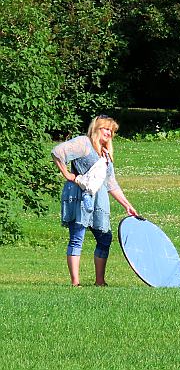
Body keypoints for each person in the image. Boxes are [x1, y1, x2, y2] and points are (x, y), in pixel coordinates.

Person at [52, 115, 138, 287]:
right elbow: (57, 152)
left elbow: (111, 183)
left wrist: (128, 206)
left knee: (105, 238)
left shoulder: (106, 154)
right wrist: (67, 174)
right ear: (97, 128)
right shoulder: (84, 143)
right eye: (106, 129)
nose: (109, 133)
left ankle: (100, 281)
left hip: (99, 199)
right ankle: (75, 283)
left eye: (112, 131)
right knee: (77, 237)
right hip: (80, 196)